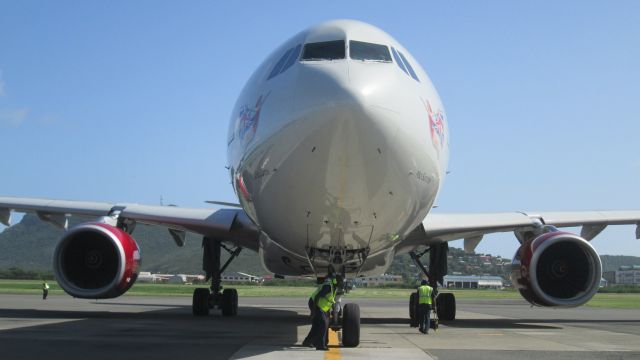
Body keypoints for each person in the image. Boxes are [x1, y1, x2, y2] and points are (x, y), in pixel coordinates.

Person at [302, 274, 339, 350]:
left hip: (320, 306)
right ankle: (320, 345)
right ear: (336, 282)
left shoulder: (334, 288)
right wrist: (313, 311)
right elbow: (317, 297)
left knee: (316, 326)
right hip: (316, 304)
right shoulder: (328, 287)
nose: (342, 284)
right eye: (341, 282)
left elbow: (329, 300)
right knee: (323, 324)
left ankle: (307, 342)